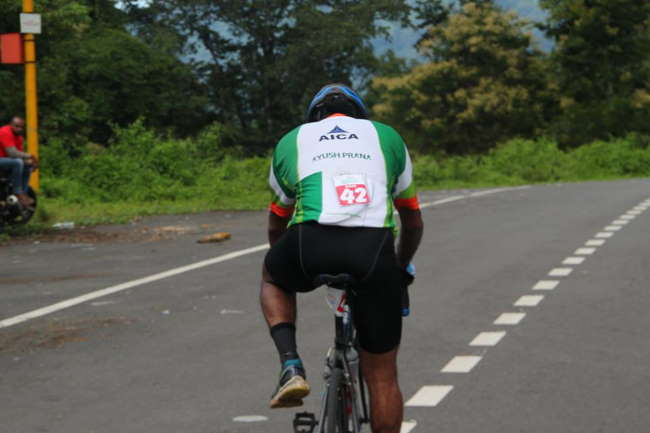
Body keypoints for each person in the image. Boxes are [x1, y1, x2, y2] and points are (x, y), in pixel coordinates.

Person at [261, 84, 423, 433]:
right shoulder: (387, 136)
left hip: (309, 241)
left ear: (314, 118)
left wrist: (285, 261)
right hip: (373, 250)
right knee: (383, 376)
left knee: (273, 277)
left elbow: (277, 222)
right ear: (360, 117)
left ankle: (290, 364)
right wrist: (399, 266)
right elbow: (412, 221)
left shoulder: (293, 139)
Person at [0, 116, 38, 207]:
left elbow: (19, 155)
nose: (19, 129)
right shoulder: (4, 132)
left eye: (21, 127)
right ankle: (18, 192)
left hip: (5, 161)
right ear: (11, 125)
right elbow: (12, 153)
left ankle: (23, 193)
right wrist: (31, 156)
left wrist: (31, 163)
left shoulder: (19, 138)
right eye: (16, 126)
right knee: (17, 162)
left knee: (26, 164)